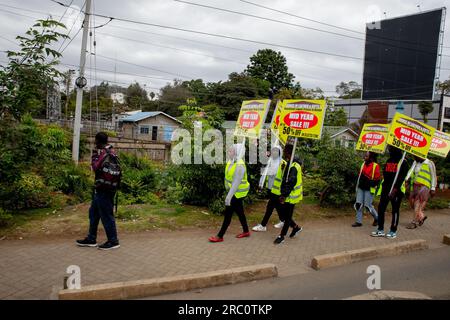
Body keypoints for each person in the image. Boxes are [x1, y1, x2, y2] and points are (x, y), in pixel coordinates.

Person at [76, 132, 121, 250]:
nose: (95, 143)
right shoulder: (112, 151)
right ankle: (91, 239)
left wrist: (94, 156)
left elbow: (95, 167)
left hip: (104, 189)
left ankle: (113, 241)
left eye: (95, 141)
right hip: (107, 188)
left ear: (98, 141)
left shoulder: (104, 153)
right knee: (94, 213)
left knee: (106, 215)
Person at [209, 144, 250, 242]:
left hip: (237, 193)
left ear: (236, 153)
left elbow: (236, 183)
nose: (229, 152)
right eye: (229, 151)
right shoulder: (231, 162)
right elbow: (228, 176)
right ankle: (246, 231)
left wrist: (229, 197)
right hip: (233, 192)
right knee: (240, 212)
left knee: (228, 213)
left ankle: (220, 236)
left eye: (231, 151)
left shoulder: (239, 165)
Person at [371, 146, 409, 239]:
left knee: (395, 211)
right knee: (381, 208)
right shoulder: (389, 160)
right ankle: (380, 229)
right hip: (386, 188)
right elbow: (385, 173)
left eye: (390, 148)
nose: (389, 150)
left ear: (396, 149)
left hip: (397, 190)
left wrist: (395, 189)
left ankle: (393, 230)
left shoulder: (403, 162)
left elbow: (401, 178)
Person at [274, 144, 303, 245]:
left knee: (286, 217)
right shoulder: (289, 163)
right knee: (285, 215)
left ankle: (281, 236)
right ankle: (296, 227)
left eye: (285, 151)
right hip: (288, 194)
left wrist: (284, 195)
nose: (284, 153)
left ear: (289, 152)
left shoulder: (294, 166)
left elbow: (291, 182)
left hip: (291, 196)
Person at [252, 145, 286, 232]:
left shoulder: (283, 164)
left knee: (270, 207)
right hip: (271, 188)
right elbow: (264, 173)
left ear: (279, 153)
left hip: (277, 190)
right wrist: (261, 183)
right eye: (273, 151)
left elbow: (283, 177)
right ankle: (284, 221)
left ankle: (263, 225)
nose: (274, 153)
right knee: (278, 206)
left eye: (276, 151)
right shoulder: (270, 161)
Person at [405, 156, 437, 229]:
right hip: (415, 185)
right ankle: (421, 217)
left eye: (416, 156)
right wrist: (406, 179)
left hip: (425, 186)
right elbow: (411, 170)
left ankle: (414, 222)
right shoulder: (415, 162)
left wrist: (433, 188)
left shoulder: (430, 163)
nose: (414, 158)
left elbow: (433, 176)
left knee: (418, 204)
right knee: (412, 203)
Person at [352, 151, 381, 227]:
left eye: (366, 156)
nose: (364, 157)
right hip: (361, 188)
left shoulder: (375, 166)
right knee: (358, 204)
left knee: (368, 206)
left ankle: (377, 218)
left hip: (369, 189)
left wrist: (370, 183)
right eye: (365, 156)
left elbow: (377, 179)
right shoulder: (362, 164)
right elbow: (359, 176)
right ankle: (358, 221)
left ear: (371, 157)